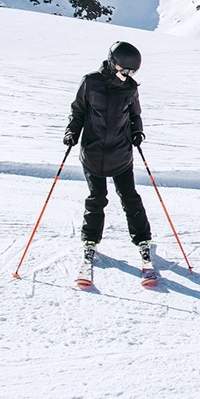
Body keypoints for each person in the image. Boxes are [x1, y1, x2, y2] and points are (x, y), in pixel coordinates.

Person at [64, 41, 153, 266]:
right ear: (113, 63)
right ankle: (90, 239)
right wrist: (71, 133)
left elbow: (135, 116)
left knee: (130, 197)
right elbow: (78, 112)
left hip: (121, 153)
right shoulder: (91, 83)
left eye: (132, 72)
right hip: (93, 153)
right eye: (125, 70)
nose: (128, 75)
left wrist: (138, 132)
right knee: (97, 198)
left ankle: (143, 238)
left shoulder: (130, 88)